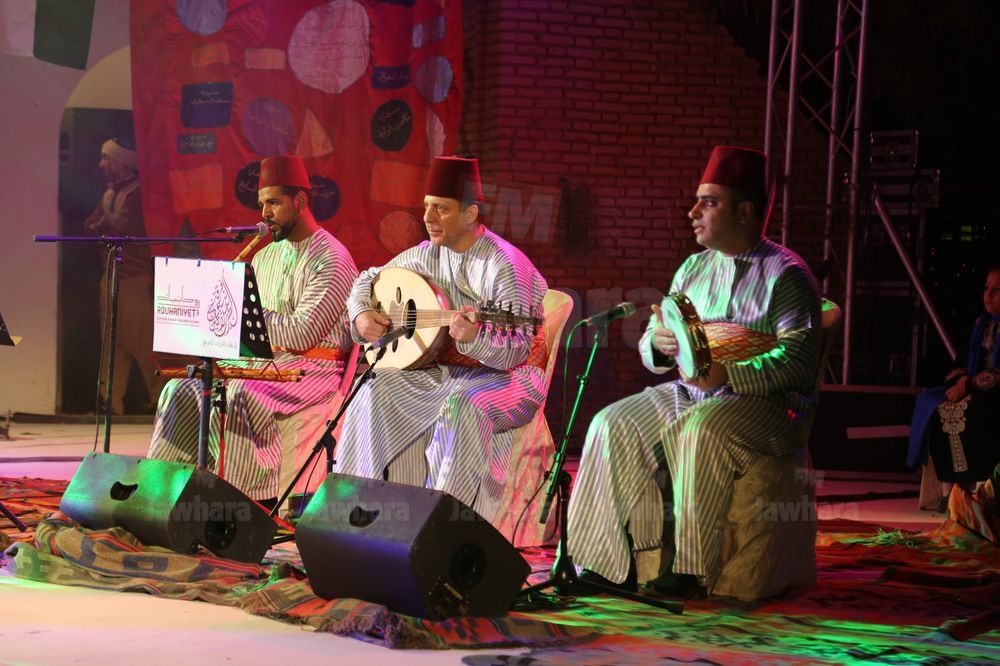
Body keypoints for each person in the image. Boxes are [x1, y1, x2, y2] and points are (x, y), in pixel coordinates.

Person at [565, 146, 822, 598]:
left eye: (709, 202)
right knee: (610, 422)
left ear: (744, 212)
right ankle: (602, 564)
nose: (692, 213)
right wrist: (659, 344)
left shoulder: (787, 275)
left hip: (766, 405)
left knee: (700, 429)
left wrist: (731, 374)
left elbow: (798, 360)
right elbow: (657, 336)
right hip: (693, 391)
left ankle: (689, 570)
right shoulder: (693, 267)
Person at [335, 155, 548, 522]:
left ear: (470, 214)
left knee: (462, 407)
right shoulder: (425, 254)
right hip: (447, 372)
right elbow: (368, 278)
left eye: (441, 209)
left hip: (510, 377)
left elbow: (517, 350)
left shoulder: (504, 264)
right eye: (427, 207)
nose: (428, 218)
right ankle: (357, 509)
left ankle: (442, 526)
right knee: (373, 387)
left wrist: (475, 339)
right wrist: (361, 314)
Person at [147, 155, 359, 505]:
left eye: (273, 203)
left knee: (237, 392)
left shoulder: (332, 259)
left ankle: (238, 504)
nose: (264, 214)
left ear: (300, 201)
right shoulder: (263, 256)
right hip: (264, 364)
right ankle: (165, 495)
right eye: (262, 204)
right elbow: (249, 331)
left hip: (311, 369)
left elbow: (303, 334)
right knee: (179, 389)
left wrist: (243, 314)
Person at [84, 137, 160, 414]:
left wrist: (105, 223)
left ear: (120, 163)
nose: (101, 164)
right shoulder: (110, 193)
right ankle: (110, 401)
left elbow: (128, 226)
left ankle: (161, 400)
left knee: (143, 342)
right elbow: (91, 224)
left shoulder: (139, 193)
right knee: (112, 342)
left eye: (106, 158)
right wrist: (106, 223)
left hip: (135, 278)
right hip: (112, 275)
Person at [907, 263, 1000, 486]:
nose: (988, 295)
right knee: (929, 401)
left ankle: (974, 487)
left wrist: (967, 386)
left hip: (994, 394)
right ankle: (946, 490)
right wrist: (960, 381)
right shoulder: (981, 325)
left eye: (997, 290)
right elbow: (961, 362)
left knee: (972, 411)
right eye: (986, 288)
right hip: (974, 388)